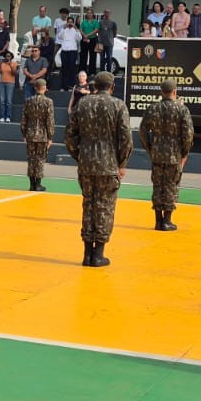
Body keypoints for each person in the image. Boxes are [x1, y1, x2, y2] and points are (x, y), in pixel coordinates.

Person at [64, 71, 131, 268]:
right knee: (105, 207)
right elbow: (126, 138)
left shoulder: (83, 104)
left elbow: (69, 136)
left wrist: (80, 155)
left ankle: (87, 254)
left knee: (89, 205)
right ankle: (98, 254)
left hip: (86, 164)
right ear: (112, 87)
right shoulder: (118, 105)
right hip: (108, 164)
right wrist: (122, 163)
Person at [139, 79, 191, 231]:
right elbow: (188, 134)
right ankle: (167, 221)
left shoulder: (153, 108)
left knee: (157, 185)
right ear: (175, 91)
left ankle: (158, 220)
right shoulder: (182, 110)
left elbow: (142, 132)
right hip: (174, 154)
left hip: (157, 153)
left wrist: (150, 148)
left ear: (161, 92)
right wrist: (184, 153)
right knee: (171, 186)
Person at [21, 78, 55, 192]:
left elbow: (24, 119)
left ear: (35, 88)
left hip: (30, 133)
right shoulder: (48, 102)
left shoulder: (28, 101)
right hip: (42, 134)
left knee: (31, 159)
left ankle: (32, 184)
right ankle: (38, 184)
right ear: (44, 88)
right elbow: (50, 121)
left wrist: (24, 133)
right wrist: (50, 136)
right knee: (40, 159)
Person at [55, 19, 82, 90]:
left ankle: (72, 86)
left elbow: (79, 38)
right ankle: (63, 86)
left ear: (73, 23)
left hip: (72, 51)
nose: (69, 23)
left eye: (71, 22)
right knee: (64, 69)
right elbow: (59, 36)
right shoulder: (64, 29)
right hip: (64, 51)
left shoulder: (75, 30)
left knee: (72, 69)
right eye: (68, 22)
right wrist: (63, 28)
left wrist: (76, 29)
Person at [0, 51, 17, 122]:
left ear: (11, 57)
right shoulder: (3, 63)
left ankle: (8, 116)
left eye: (9, 56)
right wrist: (0, 63)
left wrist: (10, 65)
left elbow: (14, 73)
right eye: (6, 56)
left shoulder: (14, 63)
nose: (7, 57)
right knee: (2, 101)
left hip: (10, 83)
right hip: (2, 83)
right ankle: (2, 116)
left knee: (9, 101)